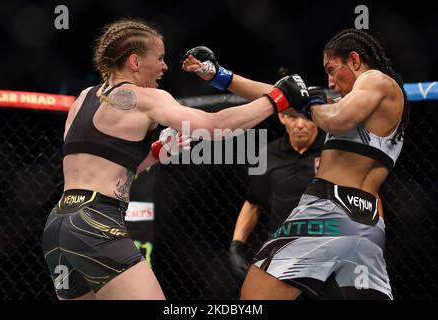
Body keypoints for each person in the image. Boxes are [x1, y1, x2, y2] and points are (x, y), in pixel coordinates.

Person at [41, 18, 320, 300]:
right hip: (96, 221)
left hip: (59, 225)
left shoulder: (83, 99)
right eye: (160, 58)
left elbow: (105, 166)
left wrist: (156, 154)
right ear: (135, 62)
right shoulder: (148, 98)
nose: (164, 67)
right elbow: (215, 127)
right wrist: (275, 99)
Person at [182, 28, 407, 299]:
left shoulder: (375, 80)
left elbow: (333, 120)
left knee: (253, 298)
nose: (331, 82)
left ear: (355, 60)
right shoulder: (365, 104)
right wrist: (220, 76)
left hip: (326, 211)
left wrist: (309, 100)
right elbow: (280, 97)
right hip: (366, 222)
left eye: (332, 70)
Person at [229, 112, 323, 284]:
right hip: (282, 252)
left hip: (327, 248)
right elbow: (253, 203)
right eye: (293, 117)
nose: (300, 124)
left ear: (317, 117)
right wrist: (236, 246)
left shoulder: (334, 152)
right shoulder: (268, 154)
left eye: (307, 117)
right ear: (282, 117)